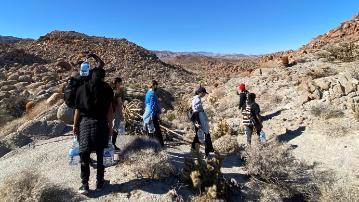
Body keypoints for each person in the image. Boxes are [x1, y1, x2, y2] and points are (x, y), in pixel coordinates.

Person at [73, 68, 114, 194]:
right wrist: (110, 127)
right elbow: (109, 110)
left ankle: (85, 185)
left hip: (84, 124)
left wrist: (75, 125)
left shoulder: (82, 88)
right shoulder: (107, 89)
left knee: (84, 155)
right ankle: (100, 183)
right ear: (103, 76)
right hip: (101, 124)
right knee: (101, 155)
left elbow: (78, 110)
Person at [191, 86, 214, 157]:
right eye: (204, 93)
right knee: (204, 135)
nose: (204, 95)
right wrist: (197, 123)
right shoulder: (197, 100)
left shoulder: (197, 99)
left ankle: (195, 150)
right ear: (201, 93)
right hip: (200, 120)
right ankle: (207, 152)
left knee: (199, 136)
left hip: (200, 120)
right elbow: (196, 112)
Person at [142, 80, 164, 147]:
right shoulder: (152, 93)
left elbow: (146, 103)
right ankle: (160, 145)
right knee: (156, 130)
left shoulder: (148, 93)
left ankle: (151, 144)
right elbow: (153, 105)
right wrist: (152, 115)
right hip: (152, 113)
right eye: (156, 85)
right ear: (154, 85)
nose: (157, 87)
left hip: (147, 112)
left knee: (150, 129)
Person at [112, 77, 126, 150]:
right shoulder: (118, 92)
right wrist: (122, 115)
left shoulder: (111, 91)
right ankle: (113, 144)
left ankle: (109, 144)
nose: (121, 84)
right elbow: (120, 104)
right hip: (116, 112)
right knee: (115, 128)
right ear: (117, 83)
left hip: (110, 112)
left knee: (110, 128)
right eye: (120, 83)